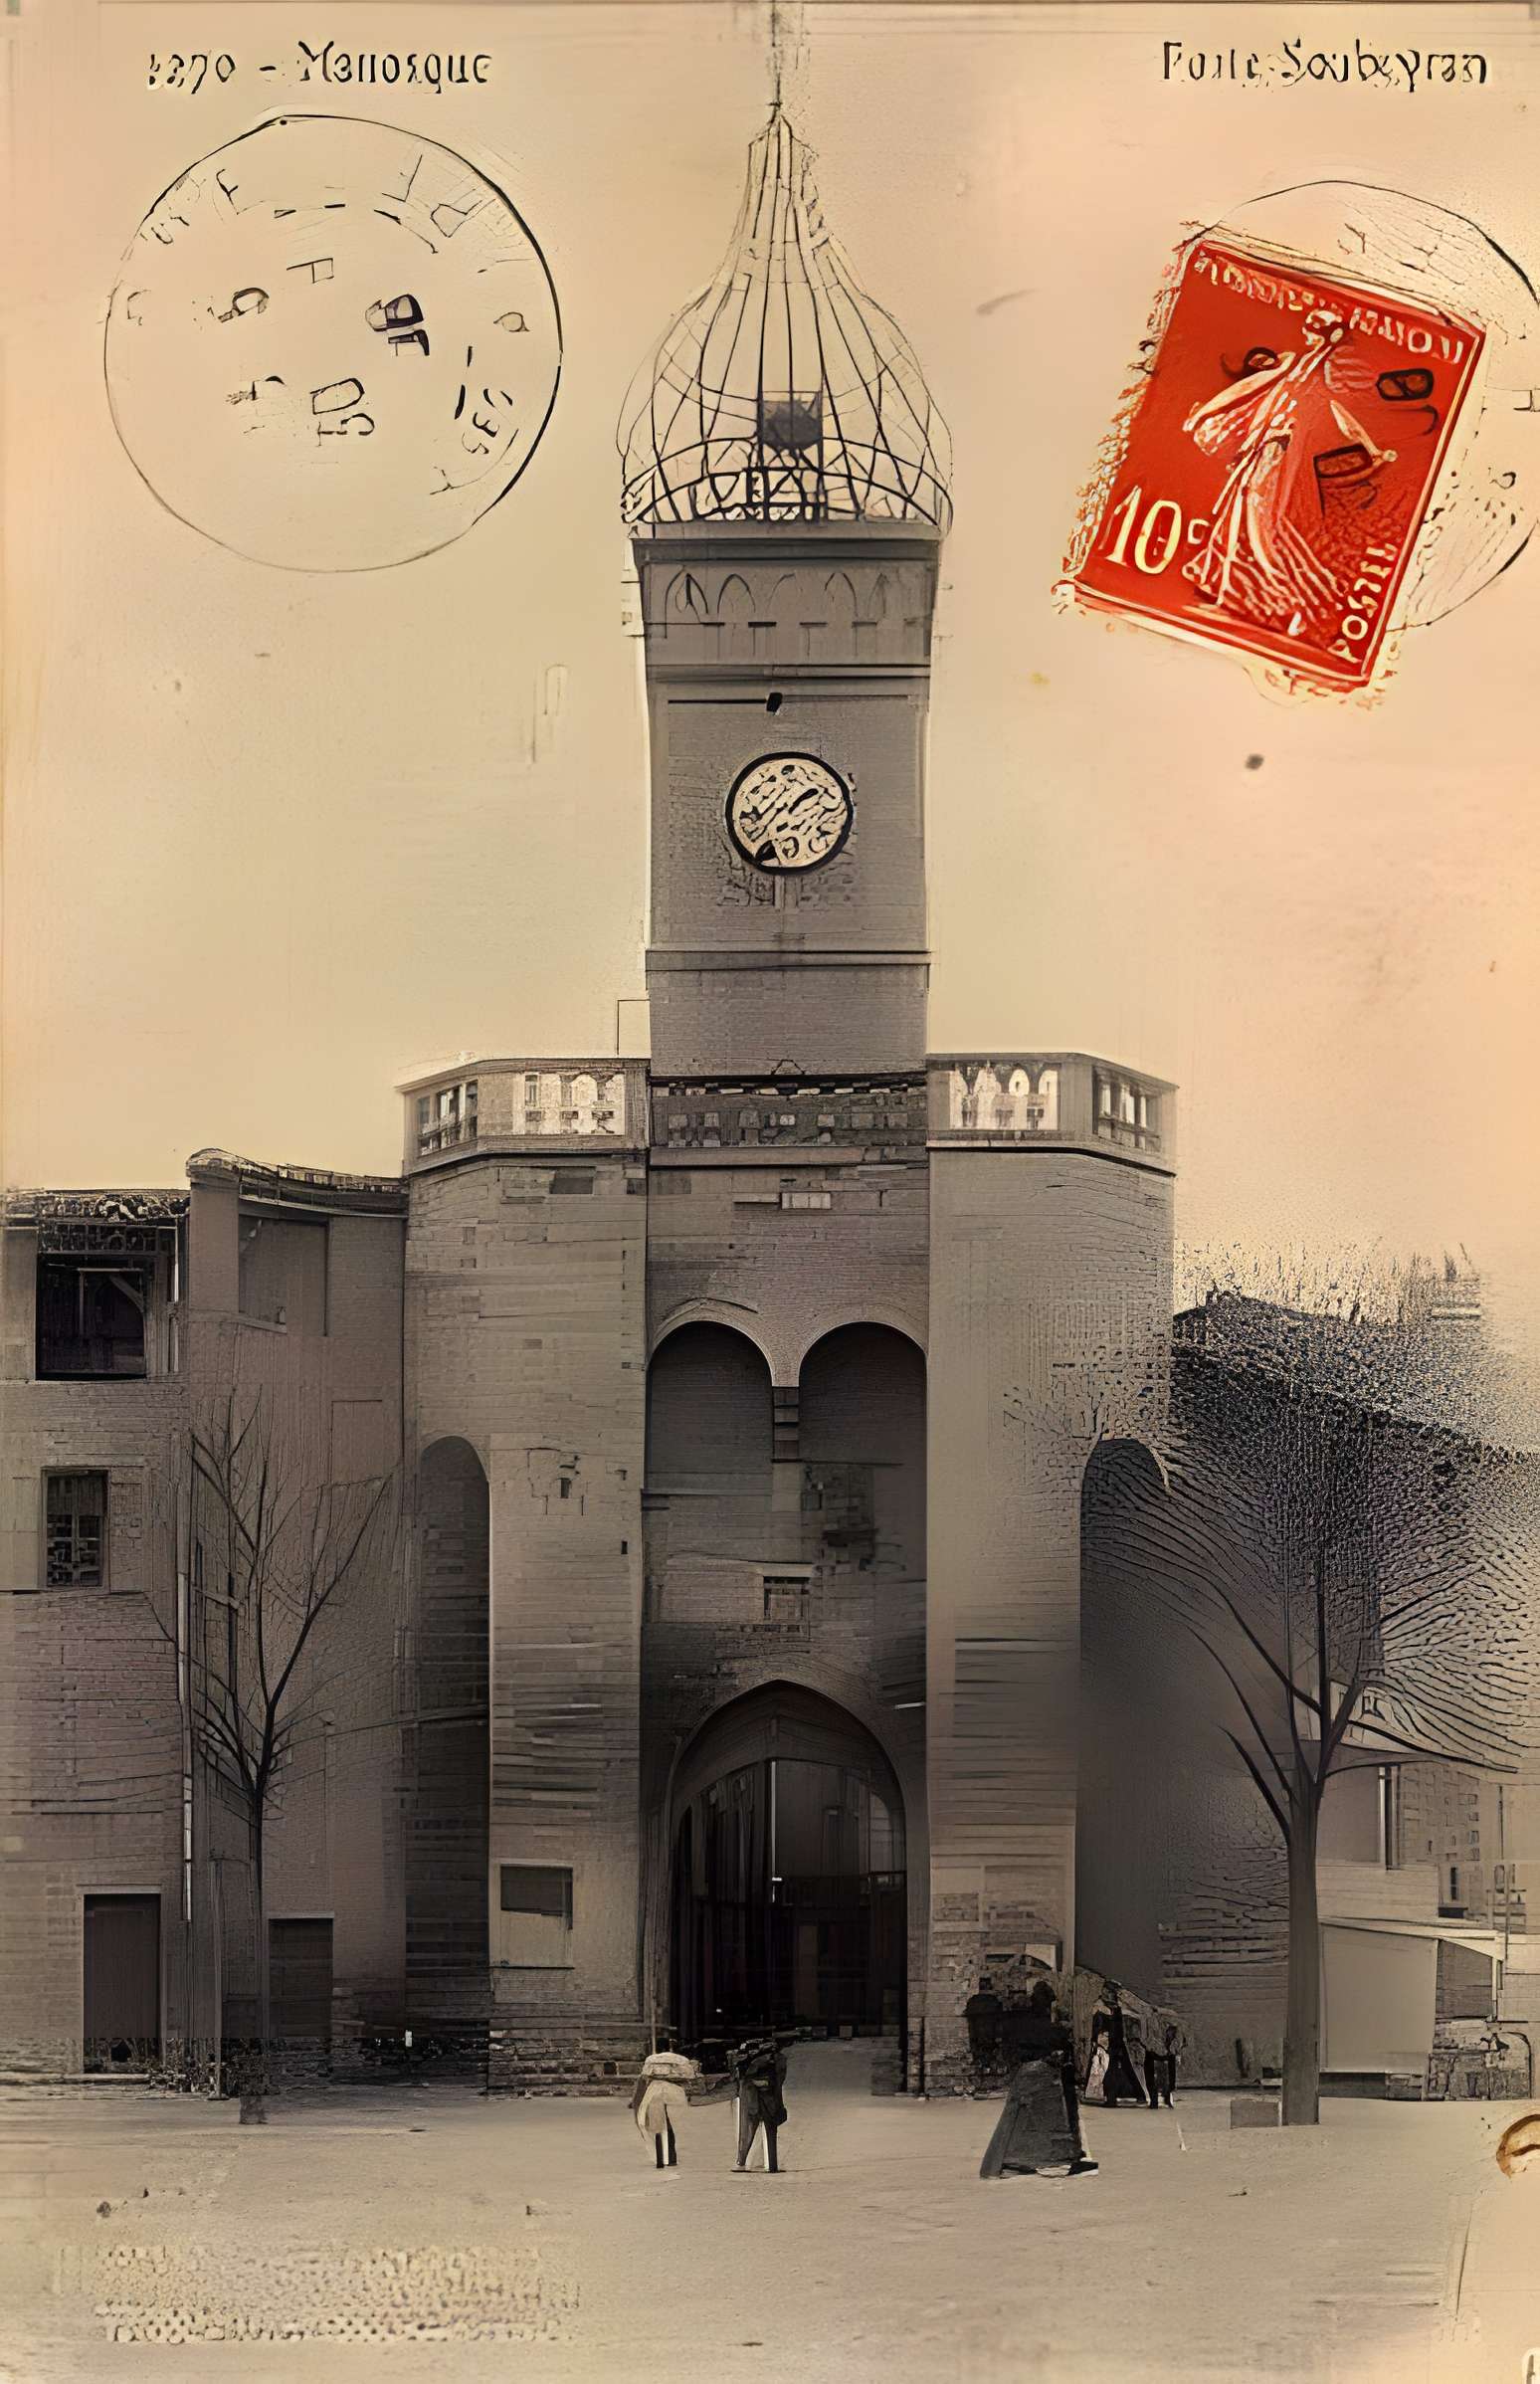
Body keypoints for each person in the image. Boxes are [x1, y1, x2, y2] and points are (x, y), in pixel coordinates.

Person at [980, 1982, 1097, 2180]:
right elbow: (1042, 2043)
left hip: (1036, 2076)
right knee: (1042, 2119)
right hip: (1039, 2077)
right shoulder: (1038, 2024)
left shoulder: (1032, 2022)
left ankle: (1025, 2158)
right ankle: (1029, 2159)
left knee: (1031, 2119)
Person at [631, 2044, 697, 2170]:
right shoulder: (680, 2060)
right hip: (674, 2092)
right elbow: (689, 2077)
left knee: (657, 2127)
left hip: (654, 2092)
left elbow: (644, 2079)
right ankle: (671, 2158)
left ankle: (660, 2159)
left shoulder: (651, 2060)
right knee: (671, 2126)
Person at [729, 2032, 789, 2173]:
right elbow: (779, 2081)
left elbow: (741, 2080)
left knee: (747, 2130)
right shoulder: (780, 2059)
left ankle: (741, 2162)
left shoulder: (751, 2061)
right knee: (770, 2129)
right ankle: (772, 2165)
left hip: (751, 2101)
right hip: (771, 2101)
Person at [1085, 1981, 1147, 2106]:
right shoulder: (1103, 2007)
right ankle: (1115, 2097)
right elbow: (1099, 2027)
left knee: (1118, 2069)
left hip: (1113, 2043)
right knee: (1112, 2070)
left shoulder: (1112, 2008)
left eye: (1109, 1991)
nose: (1107, 1993)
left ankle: (1117, 2098)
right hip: (1107, 2043)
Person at [964, 1975, 1006, 2092]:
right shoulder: (993, 2001)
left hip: (977, 2035)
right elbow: (999, 2020)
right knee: (990, 2057)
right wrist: (999, 2035)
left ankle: (981, 2083)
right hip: (989, 2034)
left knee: (979, 2058)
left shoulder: (973, 2001)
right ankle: (988, 2082)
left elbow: (969, 2020)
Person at [1144, 2015, 1181, 2110]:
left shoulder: (1171, 2040)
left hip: (1160, 2059)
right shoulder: (1158, 2038)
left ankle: (1161, 2100)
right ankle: (1159, 2100)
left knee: (1163, 2081)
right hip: (1157, 2058)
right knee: (1157, 2081)